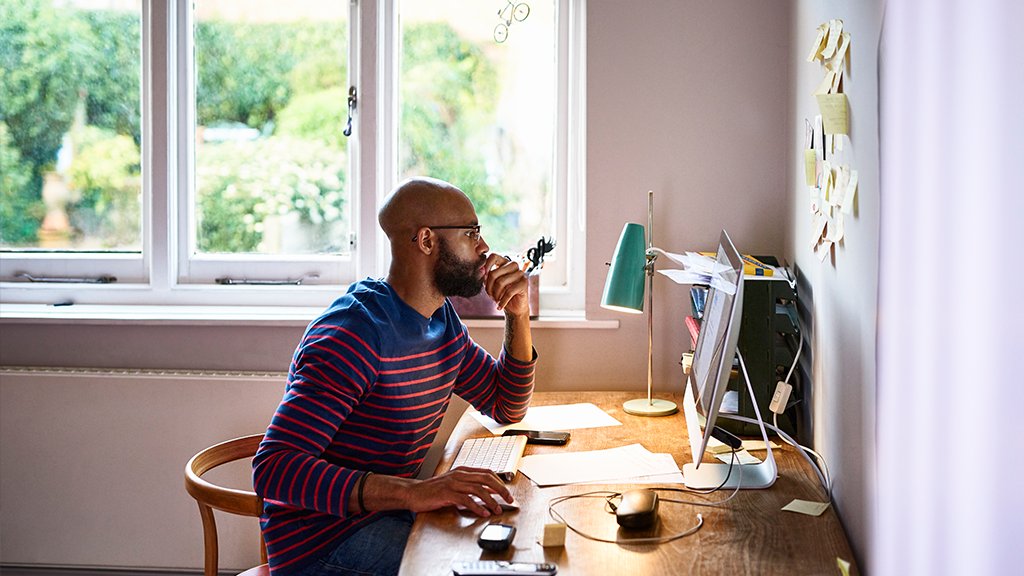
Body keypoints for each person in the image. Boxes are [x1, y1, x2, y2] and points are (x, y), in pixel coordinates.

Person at [252, 176, 537, 576]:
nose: (484, 247)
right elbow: (273, 469)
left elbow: (505, 405)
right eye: (471, 233)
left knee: (511, 546)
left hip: (387, 518)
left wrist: (517, 313)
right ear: (426, 241)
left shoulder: (440, 320)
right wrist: (414, 492)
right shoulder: (354, 334)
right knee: (480, 567)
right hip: (323, 543)